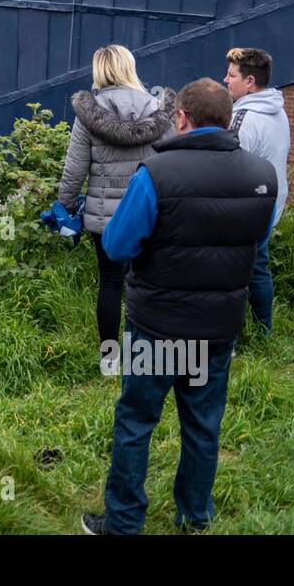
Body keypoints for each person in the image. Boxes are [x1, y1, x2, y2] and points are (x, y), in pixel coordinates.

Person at [81, 78, 277, 536]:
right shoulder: (262, 177)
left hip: (157, 328)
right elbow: (257, 242)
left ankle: (124, 522)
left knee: (136, 421)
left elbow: (117, 243)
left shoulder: (157, 175)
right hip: (218, 327)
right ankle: (195, 516)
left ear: (182, 118)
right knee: (204, 425)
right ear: (229, 120)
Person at [58, 45, 173, 354]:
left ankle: (109, 359)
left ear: (100, 71)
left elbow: (74, 169)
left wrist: (65, 209)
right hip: (149, 216)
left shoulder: (88, 113)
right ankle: (145, 354)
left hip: (104, 218)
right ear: (129, 68)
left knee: (110, 284)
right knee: (146, 285)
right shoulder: (157, 110)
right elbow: (172, 164)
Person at [222, 47, 290, 333]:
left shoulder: (245, 118)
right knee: (257, 265)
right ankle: (265, 328)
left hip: (249, 205)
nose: (225, 80)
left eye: (231, 75)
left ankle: (232, 335)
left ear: (249, 81)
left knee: (234, 271)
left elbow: (231, 166)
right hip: (271, 200)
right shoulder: (277, 108)